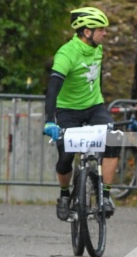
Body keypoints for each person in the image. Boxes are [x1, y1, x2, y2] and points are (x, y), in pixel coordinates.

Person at [43, 6, 118, 220]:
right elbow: (52, 90)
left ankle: (105, 196)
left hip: (94, 108)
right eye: (101, 30)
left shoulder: (98, 48)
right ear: (87, 32)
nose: (105, 33)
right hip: (68, 111)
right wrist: (50, 121)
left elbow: (96, 78)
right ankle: (65, 195)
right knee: (66, 156)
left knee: (113, 139)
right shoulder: (66, 54)